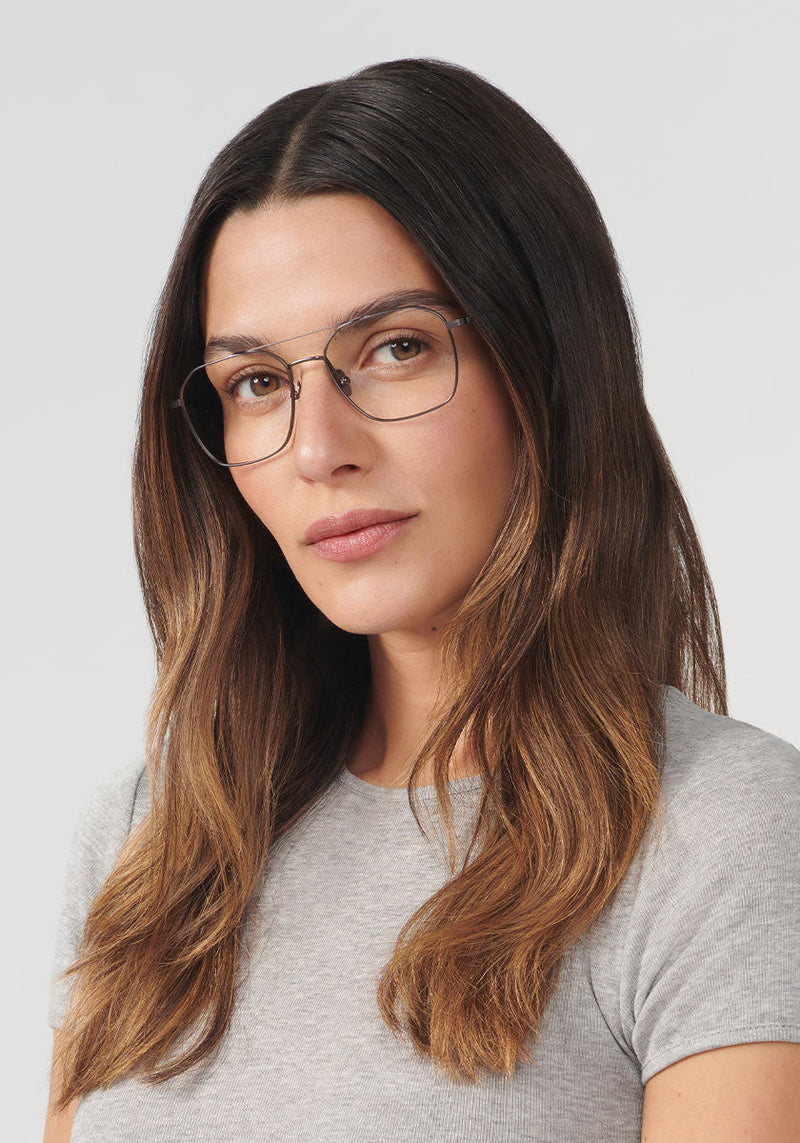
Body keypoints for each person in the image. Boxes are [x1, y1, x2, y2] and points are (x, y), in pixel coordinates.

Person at [44, 57, 800, 1142]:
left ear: (544, 365)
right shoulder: (149, 840)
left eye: (396, 348)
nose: (316, 448)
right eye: (257, 382)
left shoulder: (724, 835)